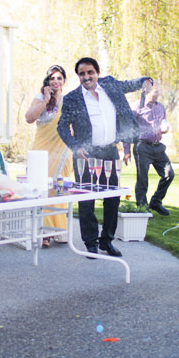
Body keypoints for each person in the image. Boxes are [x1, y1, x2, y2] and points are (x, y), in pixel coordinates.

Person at [57, 57, 152, 258]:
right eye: (82, 73)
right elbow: (62, 127)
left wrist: (145, 80)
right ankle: (90, 243)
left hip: (110, 152)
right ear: (78, 76)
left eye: (90, 72)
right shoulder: (72, 98)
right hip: (85, 155)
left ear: (97, 73)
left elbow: (129, 84)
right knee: (86, 200)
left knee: (112, 198)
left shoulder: (109, 85)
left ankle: (106, 241)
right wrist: (75, 147)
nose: (86, 77)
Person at [25, 65, 74, 247]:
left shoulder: (69, 100)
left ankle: (59, 231)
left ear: (64, 81)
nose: (56, 81)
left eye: (59, 78)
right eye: (52, 78)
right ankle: (44, 232)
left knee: (60, 188)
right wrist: (46, 99)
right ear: (47, 80)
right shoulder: (40, 97)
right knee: (42, 188)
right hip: (42, 151)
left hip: (62, 151)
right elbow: (29, 118)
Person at [123, 82, 174, 216]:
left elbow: (164, 122)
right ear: (146, 91)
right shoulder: (135, 107)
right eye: (155, 91)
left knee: (169, 174)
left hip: (158, 147)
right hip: (142, 147)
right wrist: (127, 150)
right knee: (142, 179)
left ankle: (156, 202)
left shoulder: (160, 107)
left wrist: (165, 128)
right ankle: (142, 208)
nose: (158, 94)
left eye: (158, 92)